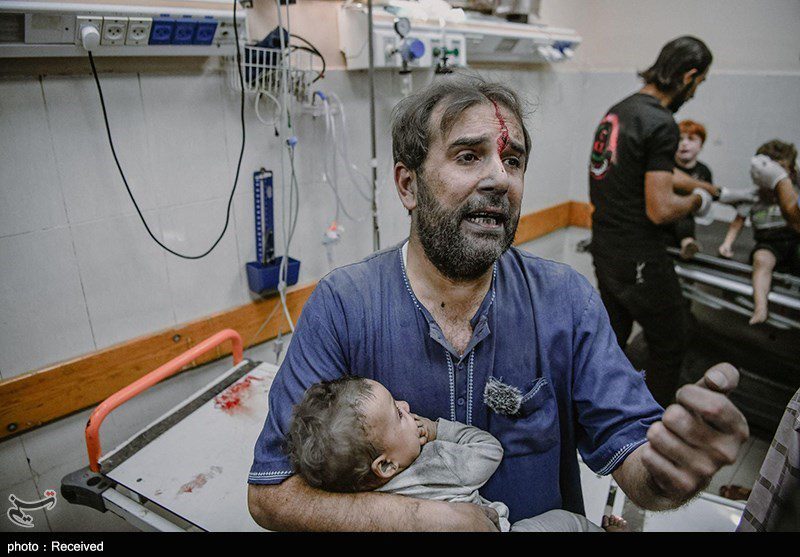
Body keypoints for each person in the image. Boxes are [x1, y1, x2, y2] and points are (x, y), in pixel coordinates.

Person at [248, 75, 749, 532]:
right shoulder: (345, 306)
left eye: (513, 161)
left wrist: (670, 470)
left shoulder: (566, 302)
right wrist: (427, 520)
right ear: (408, 185)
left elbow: (637, 459)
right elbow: (272, 494)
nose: (500, 179)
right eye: (469, 156)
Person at [588, 36, 742, 407]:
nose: (695, 92)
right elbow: (660, 208)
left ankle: (596, 414)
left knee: (611, 339)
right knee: (672, 339)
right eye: (699, 83)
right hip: (639, 255)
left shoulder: (620, 111)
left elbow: (652, 171)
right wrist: (698, 202)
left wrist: (708, 186)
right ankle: (651, 429)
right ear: (688, 76)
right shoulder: (662, 122)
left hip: (605, 246)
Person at [285, 375, 627, 532]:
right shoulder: (437, 463)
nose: (406, 405)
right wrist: (439, 430)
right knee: (566, 522)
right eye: (398, 414)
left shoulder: (350, 503)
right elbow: (489, 450)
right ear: (386, 465)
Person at [717, 140, 800, 324]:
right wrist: (727, 243)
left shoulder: (794, 191)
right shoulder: (753, 196)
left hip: (795, 237)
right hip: (769, 243)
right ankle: (760, 308)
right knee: (761, 261)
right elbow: (738, 221)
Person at [664, 120, 714, 260]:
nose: (684, 143)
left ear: (701, 145)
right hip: (663, 212)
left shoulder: (704, 171)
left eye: (691, 139)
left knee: (684, 214)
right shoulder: (666, 165)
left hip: (686, 218)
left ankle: (688, 244)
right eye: (680, 139)